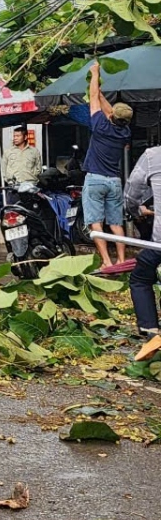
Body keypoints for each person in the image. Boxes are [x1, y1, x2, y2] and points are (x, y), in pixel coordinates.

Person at [83, 63, 133, 269]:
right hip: (114, 181)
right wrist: (101, 92)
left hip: (95, 179)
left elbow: (93, 99)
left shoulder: (100, 126)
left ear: (111, 117)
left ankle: (106, 261)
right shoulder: (125, 132)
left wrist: (95, 74)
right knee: (116, 223)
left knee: (96, 222)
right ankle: (121, 260)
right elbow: (106, 108)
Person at [124, 146, 161, 361]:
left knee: (139, 278)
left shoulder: (152, 156)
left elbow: (131, 193)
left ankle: (150, 329)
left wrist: (135, 210)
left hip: (159, 242)